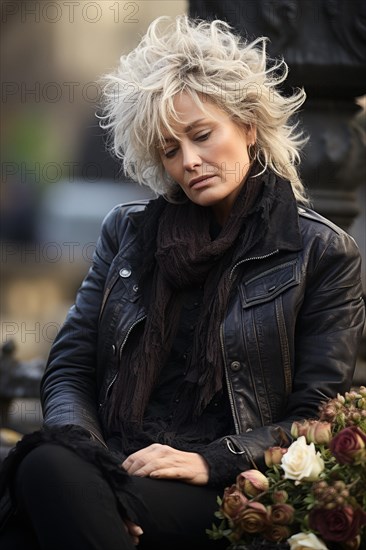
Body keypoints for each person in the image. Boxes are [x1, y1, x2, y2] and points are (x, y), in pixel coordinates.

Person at [0, 14, 364, 550]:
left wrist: (209, 459)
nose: (190, 161)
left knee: (39, 494)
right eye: (170, 150)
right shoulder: (127, 232)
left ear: (247, 124)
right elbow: (71, 366)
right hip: (112, 462)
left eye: (201, 135)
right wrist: (89, 454)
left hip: (222, 482)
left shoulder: (321, 250)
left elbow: (315, 414)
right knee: (51, 464)